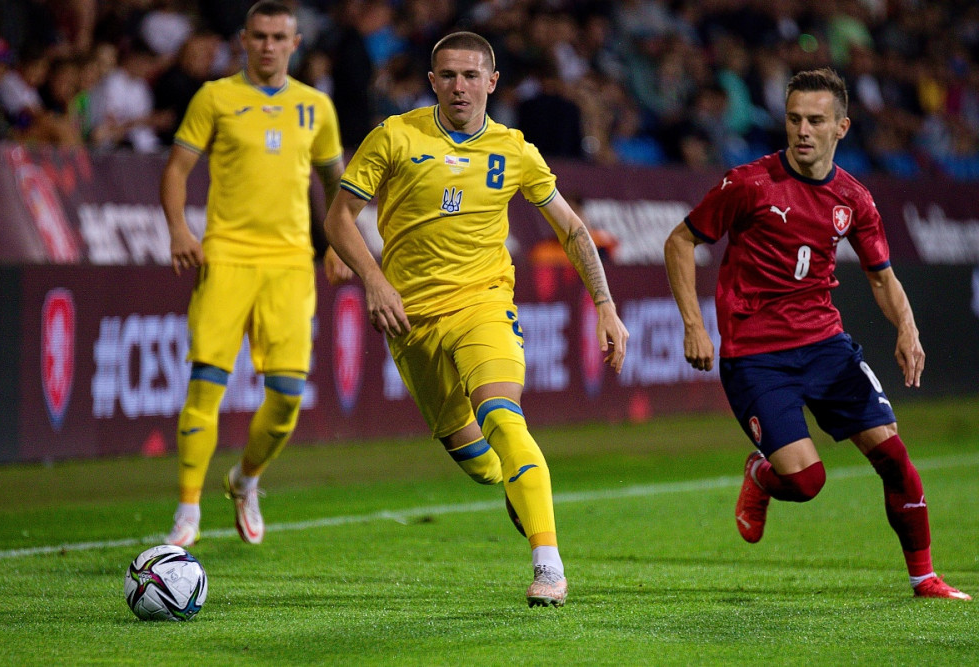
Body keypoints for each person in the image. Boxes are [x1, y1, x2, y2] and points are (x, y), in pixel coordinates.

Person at [323, 31, 629, 608]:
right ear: (432, 81)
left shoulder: (515, 150)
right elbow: (339, 218)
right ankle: (516, 481)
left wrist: (606, 306)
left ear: (492, 82)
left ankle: (548, 566)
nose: (459, 86)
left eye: (470, 76)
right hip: (411, 322)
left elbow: (572, 228)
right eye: (447, 75)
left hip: (483, 304)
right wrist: (375, 279)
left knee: (503, 417)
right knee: (483, 466)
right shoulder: (394, 136)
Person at [664, 68, 971, 601]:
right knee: (806, 483)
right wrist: (694, 324)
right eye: (794, 119)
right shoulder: (749, 184)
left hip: (826, 347)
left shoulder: (854, 198)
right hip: (757, 355)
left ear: (841, 127)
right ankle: (762, 476)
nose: (802, 130)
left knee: (894, 456)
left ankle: (924, 578)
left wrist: (908, 328)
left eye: (815, 120)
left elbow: (882, 278)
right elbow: (679, 241)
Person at [160, 0, 350, 548]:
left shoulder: (316, 107)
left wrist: (336, 245)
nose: (268, 45)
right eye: (259, 36)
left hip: (290, 264)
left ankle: (245, 479)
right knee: (206, 384)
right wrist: (179, 229)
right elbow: (177, 169)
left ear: (295, 44)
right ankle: (187, 512)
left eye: (278, 37)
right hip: (226, 257)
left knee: (287, 395)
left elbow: (335, 184)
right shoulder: (215, 97)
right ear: (243, 40)